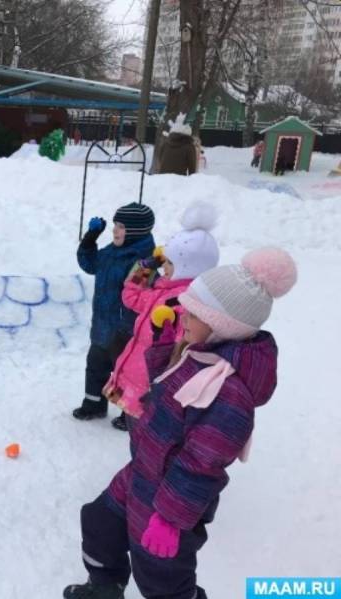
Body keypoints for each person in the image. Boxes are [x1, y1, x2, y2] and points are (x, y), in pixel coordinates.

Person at [63, 247, 297, 599]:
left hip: (168, 502)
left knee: (162, 580)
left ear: (221, 326)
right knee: (99, 523)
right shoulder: (197, 354)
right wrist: (163, 341)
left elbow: (202, 465)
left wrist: (170, 519)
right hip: (141, 475)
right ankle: (105, 588)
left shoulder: (228, 393)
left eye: (193, 312)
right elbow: (163, 394)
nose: (182, 313)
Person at [104, 202, 219, 431]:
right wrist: (147, 266)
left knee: (148, 440)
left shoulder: (184, 303)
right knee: (137, 435)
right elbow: (131, 297)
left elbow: (181, 352)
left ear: (186, 266)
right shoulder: (161, 292)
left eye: (168, 262)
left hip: (152, 387)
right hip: (136, 377)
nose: (163, 266)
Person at [73, 203, 156, 423]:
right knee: (95, 368)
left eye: (121, 226)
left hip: (126, 331)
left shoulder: (146, 261)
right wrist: (91, 237)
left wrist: (128, 325)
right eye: (115, 225)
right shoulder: (111, 252)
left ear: (136, 231)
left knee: (125, 374)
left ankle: (127, 414)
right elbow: (89, 264)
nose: (115, 230)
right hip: (101, 325)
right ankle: (93, 404)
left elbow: (138, 297)